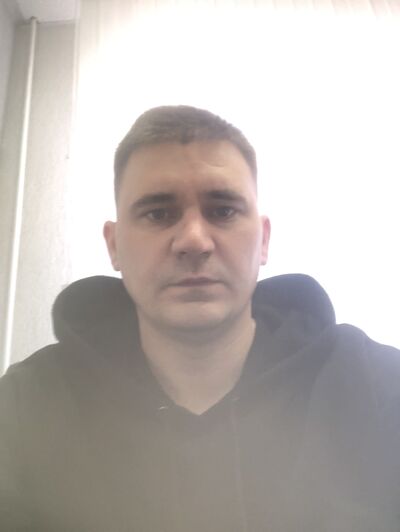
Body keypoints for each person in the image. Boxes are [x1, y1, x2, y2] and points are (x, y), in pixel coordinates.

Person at [0, 105, 399, 532]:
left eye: (223, 211)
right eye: (158, 213)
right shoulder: (24, 410)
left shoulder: (379, 390)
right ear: (114, 245)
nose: (193, 240)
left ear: (263, 240)